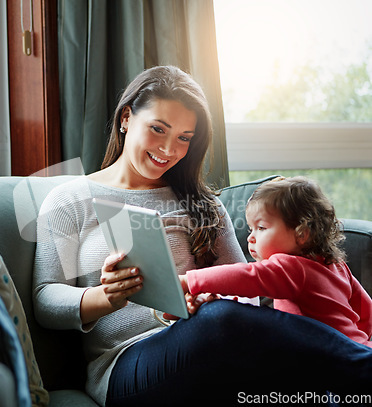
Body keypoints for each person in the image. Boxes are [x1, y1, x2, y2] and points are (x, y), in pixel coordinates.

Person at [33, 66, 372, 406]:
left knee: (256, 351)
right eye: (157, 129)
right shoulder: (68, 199)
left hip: (211, 350)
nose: (169, 149)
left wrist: (207, 299)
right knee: (218, 321)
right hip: (127, 367)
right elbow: (44, 298)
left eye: (183, 138)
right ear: (125, 118)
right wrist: (105, 297)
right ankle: (360, 364)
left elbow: (249, 300)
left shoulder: (201, 203)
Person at [180, 176, 372, 348]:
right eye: (250, 229)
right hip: (357, 350)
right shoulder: (336, 264)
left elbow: (247, 276)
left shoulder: (292, 267)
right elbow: (365, 310)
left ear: (302, 234)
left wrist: (189, 281)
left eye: (261, 228)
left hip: (335, 360)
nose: (251, 238)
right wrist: (360, 340)